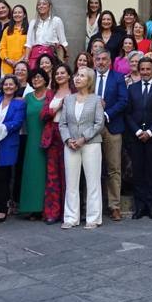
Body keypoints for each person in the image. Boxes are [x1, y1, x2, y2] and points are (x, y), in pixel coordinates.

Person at [59, 67, 106, 229]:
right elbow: (62, 123)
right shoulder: (68, 99)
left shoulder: (96, 99)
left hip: (91, 144)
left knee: (93, 182)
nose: (77, 78)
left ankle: (93, 218)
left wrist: (83, 138)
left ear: (89, 81)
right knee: (71, 182)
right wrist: (68, 139)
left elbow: (99, 123)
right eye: (77, 75)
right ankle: (71, 217)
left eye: (82, 76)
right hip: (70, 145)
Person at [125, 57, 152, 219]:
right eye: (142, 69)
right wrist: (137, 132)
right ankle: (139, 207)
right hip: (135, 137)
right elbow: (128, 113)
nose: (144, 72)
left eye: (147, 69)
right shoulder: (132, 88)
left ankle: (151, 206)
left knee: (151, 172)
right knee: (138, 172)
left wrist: (150, 132)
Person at [92, 49, 129, 221]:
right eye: (98, 59)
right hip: (91, 129)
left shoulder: (118, 78)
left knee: (114, 168)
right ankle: (92, 205)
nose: (101, 62)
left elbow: (123, 101)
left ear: (110, 61)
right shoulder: (89, 77)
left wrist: (106, 114)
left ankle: (114, 206)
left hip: (112, 126)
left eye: (104, 59)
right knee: (92, 168)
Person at [0, 75, 25, 223]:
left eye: (11, 84)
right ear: (2, 86)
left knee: (2, 178)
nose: (8, 86)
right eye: (5, 84)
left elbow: (17, 122)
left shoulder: (19, 104)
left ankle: (2, 209)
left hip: (6, 144)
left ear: (16, 87)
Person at [41, 64, 72, 224]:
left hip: (69, 135)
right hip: (52, 135)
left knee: (69, 175)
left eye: (62, 73)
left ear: (68, 75)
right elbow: (44, 114)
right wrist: (58, 107)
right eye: (57, 73)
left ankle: (69, 212)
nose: (59, 75)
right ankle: (53, 212)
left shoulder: (74, 92)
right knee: (52, 175)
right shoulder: (50, 93)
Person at [18, 68, 49, 220]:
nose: (36, 80)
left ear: (45, 79)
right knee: (31, 173)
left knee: (46, 174)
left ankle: (45, 207)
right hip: (31, 140)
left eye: (39, 77)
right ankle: (31, 207)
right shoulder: (27, 98)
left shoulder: (50, 96)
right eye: (34, 78)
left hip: (47, 140)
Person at [27, 0, 68, 68]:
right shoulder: (33, 22)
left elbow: (63, 42)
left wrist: (64, 58)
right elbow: (29, 43)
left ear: (49, 6)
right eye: (39, 4)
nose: (41, 6)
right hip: (35, 55)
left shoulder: (56, 21)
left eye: (44, 4)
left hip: (50, 54)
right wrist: (26, 58)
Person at [0, 4, 29, 76]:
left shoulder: (29, 30)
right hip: (7, 66)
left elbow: (29, 47)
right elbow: (2, 47)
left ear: (24, 15)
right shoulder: (7, 30)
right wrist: (7, 59)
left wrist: (19, 61)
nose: (17, 14)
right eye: (15, 13)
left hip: (22, 66)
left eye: (20, 12)